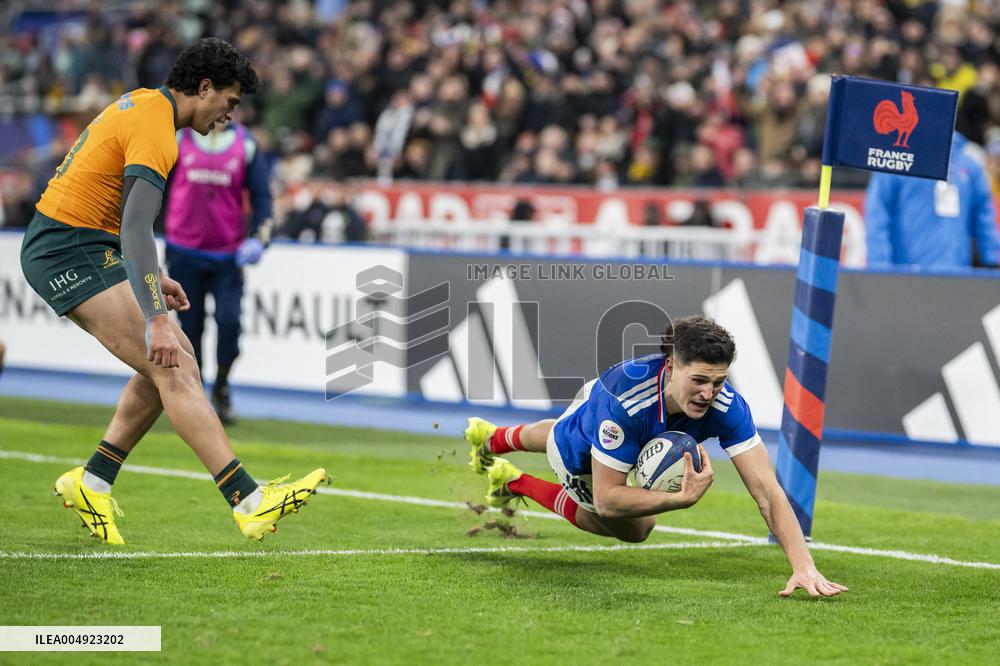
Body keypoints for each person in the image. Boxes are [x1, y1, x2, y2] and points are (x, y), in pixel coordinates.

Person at [19, 37, 326, 545]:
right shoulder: (159, 133)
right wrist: (155, 315)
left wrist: (148, 278)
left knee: (175, 360)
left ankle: (93, 479)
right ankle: (248, 500)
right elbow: (137, 228)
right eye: (229, 101)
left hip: (84, 242)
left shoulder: (145, 104)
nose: (229, 114)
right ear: (204, 88)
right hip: (66, 248)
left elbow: (116, 214)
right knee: (173, 362)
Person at [465, 316, 847, 598]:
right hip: (593, 433)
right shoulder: (627, 406)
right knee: (634, 525)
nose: (708, 393)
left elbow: (767, 490)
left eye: (718, 381)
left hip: (605, 411)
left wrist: (804, 566)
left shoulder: (728, 406)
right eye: (698, 380)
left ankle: (493, 439)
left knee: (570, 428)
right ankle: (513, 481)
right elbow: (608, 499)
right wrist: (678, 499)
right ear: (671, 368)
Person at [164, 120, 274, 424]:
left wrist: (260, 239)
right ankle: (195, 397)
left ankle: (222, 383)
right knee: (190, 330)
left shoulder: (246, 145)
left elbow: (263, 198)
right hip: (184, 251)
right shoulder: (178, 139)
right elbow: (156, 186)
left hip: (228, 256)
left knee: (230, 322)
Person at [864, 132, 999, 269]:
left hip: (957, 275)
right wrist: (880, 268)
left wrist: (993, 261)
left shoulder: (969, 165)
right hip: (907, 276)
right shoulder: (897, 160)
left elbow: (984, 218)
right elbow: (878, 217)